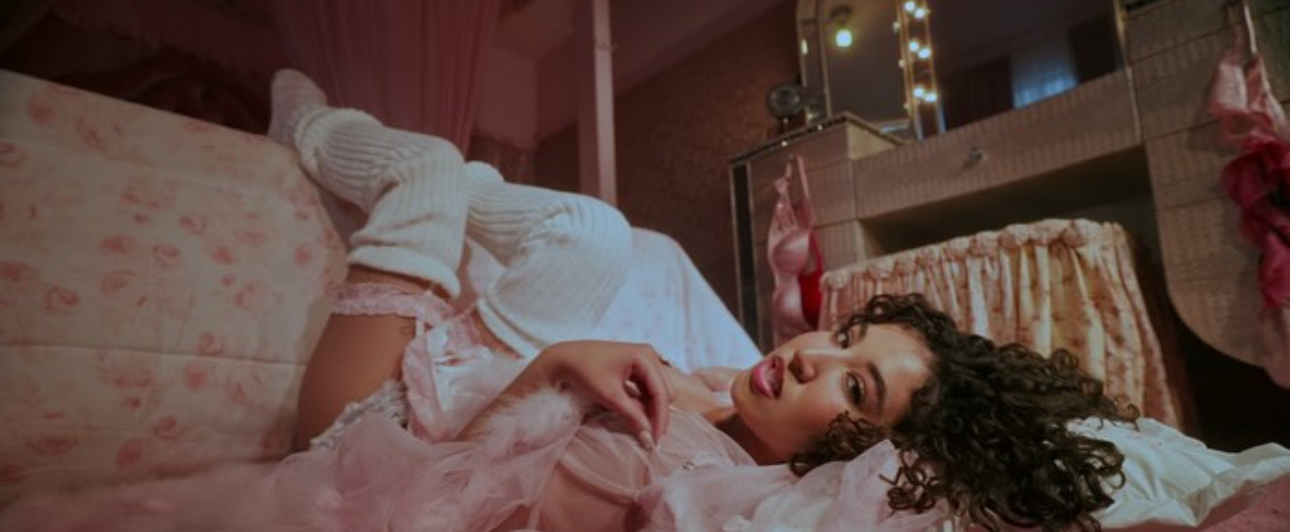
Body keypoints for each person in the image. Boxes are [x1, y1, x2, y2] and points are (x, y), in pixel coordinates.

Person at [0, 70, 1135, 532]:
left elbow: (435, 503)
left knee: (430, 174)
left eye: (856, 386)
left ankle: (333, 138)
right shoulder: (727, 401)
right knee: (592, 231)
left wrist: (550, 369)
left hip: (365, 437)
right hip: (448, 383)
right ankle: (416, 171)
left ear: (865, 457)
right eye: (841, 339)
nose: (807, 357)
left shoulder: (678, 484)